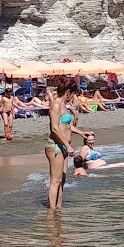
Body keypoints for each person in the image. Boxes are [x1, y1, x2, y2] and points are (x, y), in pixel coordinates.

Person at [45, 82, 90, 210]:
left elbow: (65, 126)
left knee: (62, 180)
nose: (74, 96)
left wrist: (81, 133)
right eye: (74, 93)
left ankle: (58, 209)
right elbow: (54, 128)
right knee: (55, 181)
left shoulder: (64, 106)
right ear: (68, 91)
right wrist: (67, 145)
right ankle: (52, 212)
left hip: (63, 147)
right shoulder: (56, 105)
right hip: (55, 146)